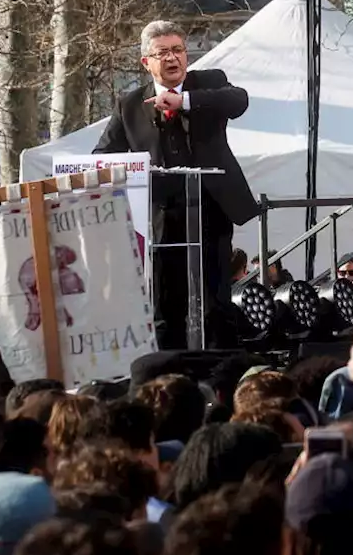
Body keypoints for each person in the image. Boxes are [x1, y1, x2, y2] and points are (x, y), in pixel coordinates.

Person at [94, 20, 260, 349]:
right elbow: (102, 155)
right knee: (164, 304)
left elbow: (238, 101)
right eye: (163, 52)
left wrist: (183, 102)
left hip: (210, 207)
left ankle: (220, 372)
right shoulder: (129, 104)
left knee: (215, 301)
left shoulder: (209, 83)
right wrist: (134, 171)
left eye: (178, 50)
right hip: (160, 215)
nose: (173, 59)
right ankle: (170, 373)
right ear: (146, 62)